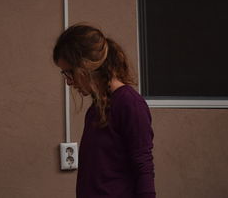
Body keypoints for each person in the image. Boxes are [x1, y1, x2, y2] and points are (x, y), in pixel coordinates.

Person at [53, 24, 156, 198]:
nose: (69, 82)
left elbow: (143, 167)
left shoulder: (128, 103)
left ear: (86, 66)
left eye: (69, 73)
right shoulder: (96, 109)